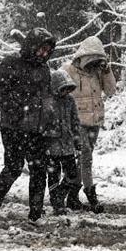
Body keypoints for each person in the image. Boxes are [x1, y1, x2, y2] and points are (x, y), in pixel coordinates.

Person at [0, 27, 56, 225]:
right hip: (13, 126)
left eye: (47, 51)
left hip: (37, 127)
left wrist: (48, 118)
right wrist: (17, 110)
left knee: (39, 169)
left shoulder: (44, 69)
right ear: (32, 46)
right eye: (41, 49)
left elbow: (46, 96)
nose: (43, 54)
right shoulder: (11, 63)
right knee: (14, 167)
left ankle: (35, 214)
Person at [62, 36, 117, 213]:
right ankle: (91, 195)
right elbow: (57, 90)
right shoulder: (68, 70)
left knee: (82, 161)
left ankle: (70, 194)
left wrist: (107, 71)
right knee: (85, 158)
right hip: (76, 122)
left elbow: (110, 91)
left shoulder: (99, 72)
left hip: (94, 123)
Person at [42, 68, 81, 215]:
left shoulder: (70, 101)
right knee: (53, 174)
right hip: (51, 146)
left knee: (72, 173)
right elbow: (42, 124)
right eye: (62, 89)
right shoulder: (47, 102)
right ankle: (56, 203)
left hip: (67, 144)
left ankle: (59, 194)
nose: (65, 92)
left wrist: (77, 140)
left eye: (67, 89)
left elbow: (75, 121)